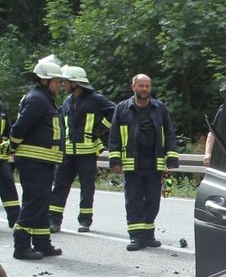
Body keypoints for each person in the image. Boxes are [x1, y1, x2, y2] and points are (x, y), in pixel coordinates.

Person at [108, 74, 178, 251]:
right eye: (141, 86)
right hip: (132, 163)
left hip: (154, 163)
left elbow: (169, 133)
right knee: (134, 200)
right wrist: (115, 160)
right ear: (133, 87)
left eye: (147, 86)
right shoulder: (122, 109)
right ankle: (136, 237)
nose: (144, 89)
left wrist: (172, 157)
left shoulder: (159, 108)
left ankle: (149, 234)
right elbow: (114, 136)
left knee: (153, 200)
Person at [9, 56, 66, 260]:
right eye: (57, 81)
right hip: (33, 161)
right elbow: (19, 127)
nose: (60, 85)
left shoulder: (44, 99)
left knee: (41, 202)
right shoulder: (37, 99)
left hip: (44, 161)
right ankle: (21, 246)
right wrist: (13, 145)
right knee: (34, 203)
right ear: (44, 81)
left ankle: (42, 243)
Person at [49, 65, 116, 233]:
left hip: (87, 153)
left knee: (87, 187)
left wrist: (101, 129)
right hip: (67, 153)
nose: (63, 84)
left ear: (76, 83)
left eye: (66, 81)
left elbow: (115, 112)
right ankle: (54, 221)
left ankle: (85, 221)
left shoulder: (95, 99)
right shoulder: (67, 102)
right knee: (59, 186)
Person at [1, 96, 19, 227]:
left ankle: (16, 221)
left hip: (0, 158)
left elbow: (7, 132)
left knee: (8, 188)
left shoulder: (1, 107)